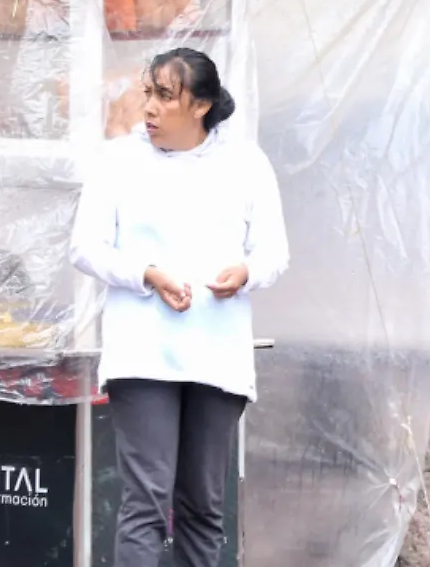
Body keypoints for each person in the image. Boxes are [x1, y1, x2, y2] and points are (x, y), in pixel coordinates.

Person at [70, 48, 289, 567]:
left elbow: (274, 252)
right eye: (148, 92)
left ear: (201, 105)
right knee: (145, 501)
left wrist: (246, 274)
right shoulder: (118, 161)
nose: (149, 107)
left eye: (165, 96)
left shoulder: (246, 164)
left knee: (203, 505)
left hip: (217, 354)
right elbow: (85, 247)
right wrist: (146, 274)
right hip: (142, 352)